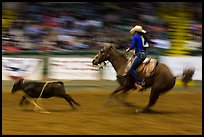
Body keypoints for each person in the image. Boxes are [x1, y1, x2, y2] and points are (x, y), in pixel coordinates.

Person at [125, 25, 148, 92]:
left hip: (139, 55)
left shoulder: (135, 37)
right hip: (143, 54)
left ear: (135, 31)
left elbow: (132, 46)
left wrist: (128, 49)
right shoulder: (141, 37)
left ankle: (140, 82)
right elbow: (142, 47)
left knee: (131, 69)